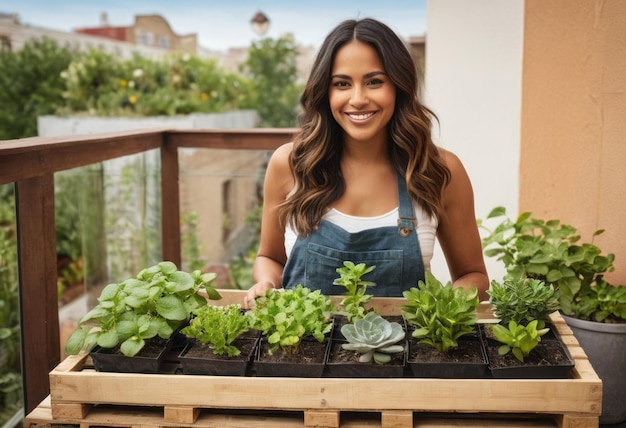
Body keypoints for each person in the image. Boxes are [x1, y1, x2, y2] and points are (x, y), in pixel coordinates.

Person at [243, 18, 488, 309]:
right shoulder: (291, 164)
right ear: (326, 92)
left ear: (399, 86)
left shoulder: (439, 170)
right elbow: (269, 258)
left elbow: (473, 275)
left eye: (374, 82)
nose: (358, 99)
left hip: (409, 352)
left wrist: (445, 307)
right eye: (342, 84)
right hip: (299, 349)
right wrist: (267, 283)